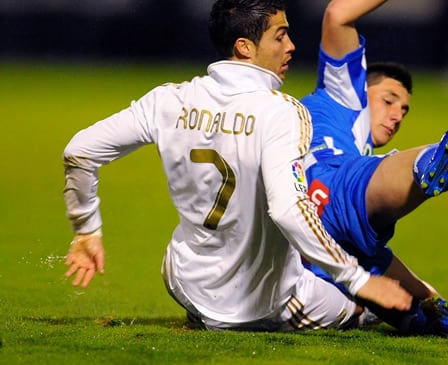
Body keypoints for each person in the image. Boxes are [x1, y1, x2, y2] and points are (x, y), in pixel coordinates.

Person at [62, 0, 412, 332]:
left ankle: (209, 311)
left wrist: (86, 228)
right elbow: (289, 210)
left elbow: (80, 151)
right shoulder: (283, 112)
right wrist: (360, 280)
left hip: (185, 283)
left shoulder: (168, 100)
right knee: (356, 309)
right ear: (245, 47)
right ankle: (361, 309)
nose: (291, 45)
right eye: (280, 35)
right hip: (265, 302)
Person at [301, 0, 448, 341]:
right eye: (388, 100)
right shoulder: (342, 96)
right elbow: (338, 14)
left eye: (404, 110)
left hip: (315, 237)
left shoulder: (357, 148)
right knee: (372, 180)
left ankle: (436, 313)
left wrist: (430, 296)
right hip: (325, 189)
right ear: (360, 88)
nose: (398, 115)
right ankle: (430, 161)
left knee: (388, 274)